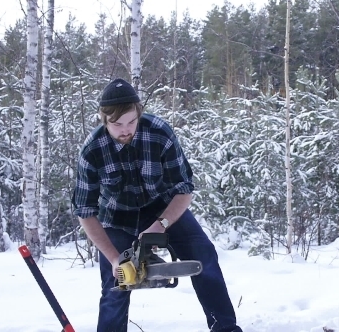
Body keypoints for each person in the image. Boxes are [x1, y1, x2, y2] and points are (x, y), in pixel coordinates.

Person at [71, 78, 243, 332]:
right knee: (116, 284)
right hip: (116, 217)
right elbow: (85, 212)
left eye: (131, 121)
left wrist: (161, 224)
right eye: (117, 124)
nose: (125, 130)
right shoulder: (92, 150)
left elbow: (184, 189)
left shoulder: (159, 132)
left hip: (164, 208)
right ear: (103, 119)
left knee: (205, 257)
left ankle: (225, 328)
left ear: (139, 112)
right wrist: (114, 258)